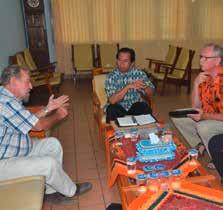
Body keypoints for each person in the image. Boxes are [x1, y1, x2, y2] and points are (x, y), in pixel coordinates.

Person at [0, 65, 92, 204]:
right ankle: (71, 190)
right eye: (27, 81)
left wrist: (48, 108)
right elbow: (39, 126)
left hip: (17, 150)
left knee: (53, 144)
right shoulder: (5, 102)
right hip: (4, 163)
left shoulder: (8, 97)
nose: (31, 86)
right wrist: (59, 115)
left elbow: (27, 121)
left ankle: (51, 192)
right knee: (48, 165)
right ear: (13, 81)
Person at [171, 43, 223, 163]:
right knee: (177, 116)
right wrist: (195, 83)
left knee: (203, 126)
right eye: (200, 57)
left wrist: (204, 116)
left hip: (217, 119)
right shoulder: (205, 77)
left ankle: (217, 158)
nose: (200, 60)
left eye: (205, 58)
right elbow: (195, 107)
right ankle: (202, 143)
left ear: (217, 60)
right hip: (211, 117)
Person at [105, 47, 154, 123]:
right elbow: (112, 100)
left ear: (132, 63)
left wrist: (145, 87)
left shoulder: (139, 74)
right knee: (111, 109)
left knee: (144, 107)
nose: (121, 63)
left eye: (125, 61)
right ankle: (114, 134)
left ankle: (145, 131)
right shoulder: (111, 76)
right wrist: (127, 87)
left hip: (134, 105)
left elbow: (150, 93)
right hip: (118, 106)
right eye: (119, 60)